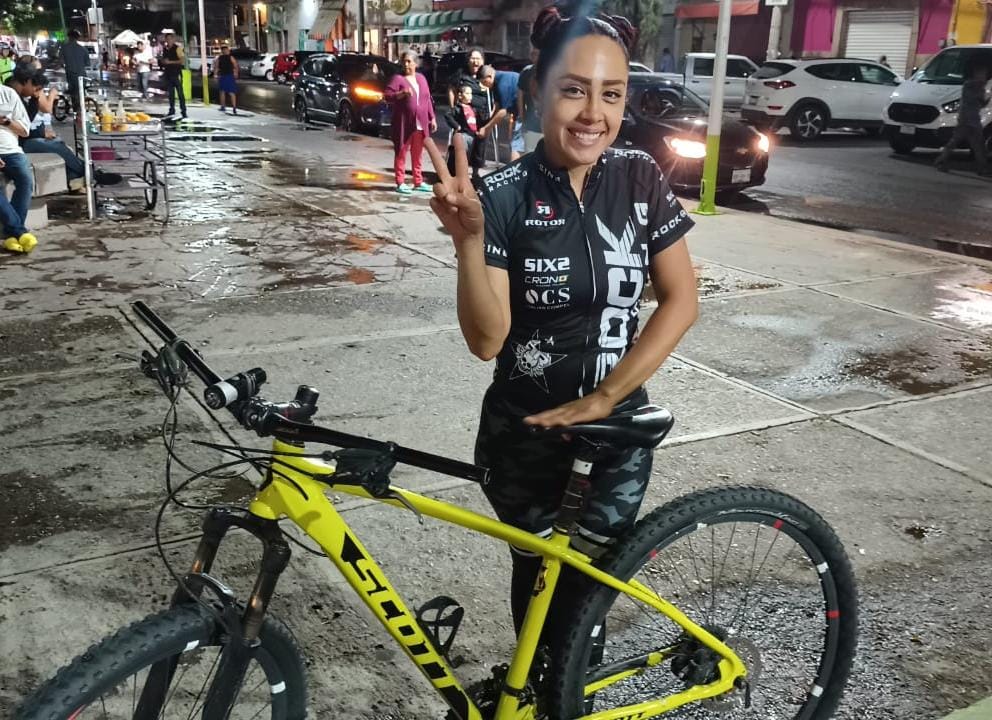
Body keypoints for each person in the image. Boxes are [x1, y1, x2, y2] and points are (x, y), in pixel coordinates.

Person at [424, 0, 698, 643]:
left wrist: (606, 396)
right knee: (537, 578)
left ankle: (570, 684)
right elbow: (487, 340)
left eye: (612, 94)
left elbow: (681, 300)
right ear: (537, 92)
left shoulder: (640, 177)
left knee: (586, 595)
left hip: (614, 433)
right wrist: (469, 242)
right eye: (574, 90)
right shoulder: (502, 196)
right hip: (526, 436)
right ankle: (540, 686)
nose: (594, 113)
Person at [7, 66, 121, 188]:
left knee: (59, 145)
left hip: (24, 139)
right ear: (27, 82)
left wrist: (34, 99)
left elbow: (26, 120)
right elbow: (22, 126)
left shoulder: (17, 95)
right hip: (17, 143)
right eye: (37, 88)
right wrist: (40, 130)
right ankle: (91, 174)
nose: (36, 92)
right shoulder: (9, 95)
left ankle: (77, 177)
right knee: (56, 146)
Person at [385, 49, 436, 194]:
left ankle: (418, 181)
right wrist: (401, 94)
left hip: (421, 123)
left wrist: (432, 117)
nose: (406, 64)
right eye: (404, 61)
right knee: (401, 151)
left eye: (409, 61)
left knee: (417, 153)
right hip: (404, 123)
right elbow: (387, 96)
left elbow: (427, 99)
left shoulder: (421, 78)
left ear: (416, 63)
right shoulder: (398, 79)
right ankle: (400, 182)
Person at [935, 61, 990, 176]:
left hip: (973, 119)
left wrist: (986, 99)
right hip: (966, 118)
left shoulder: (980, 87)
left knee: (974, 144)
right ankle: (941, 160)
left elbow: (980, 103)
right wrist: (981, 92)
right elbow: (973, 99)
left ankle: (981, 167)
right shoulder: (970, 85)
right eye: (981, 74)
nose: (983, 76)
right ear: (975, 74)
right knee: (966, 142)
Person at [0, 79, 36, 253]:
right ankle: (19, 232)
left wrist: (6, 122)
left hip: (12, 151)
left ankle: (11, 234)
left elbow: (24, 130)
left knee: (25, 181)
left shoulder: (8, 94)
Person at [447, 47, 490, 169]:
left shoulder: (486, 75)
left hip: (482, 115)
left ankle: (475, 172)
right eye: (473, 58)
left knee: (479, 145)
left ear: (483, 61)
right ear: (468, 60)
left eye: (478, 59)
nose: (476, 62)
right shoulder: (461, 74)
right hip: (464, 115)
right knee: (461, 142)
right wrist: (454, 108)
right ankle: (454, 170)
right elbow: (451, 89)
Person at [492, 68, 521, 161]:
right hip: (520, 111)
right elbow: (497, 104)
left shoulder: (503, 84)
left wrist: (487, 127)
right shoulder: (503, 78)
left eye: (484, 83)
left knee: (517, 144)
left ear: (489, 77)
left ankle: (515, 165)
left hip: (524, 112)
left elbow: (503, 111)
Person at [517, 48, 542, 153]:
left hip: (550, 126)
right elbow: (520, 96)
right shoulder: (527, 72)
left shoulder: (555, 71)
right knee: (531, 153)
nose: (535, 57)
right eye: (533, 54)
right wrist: (522, 118)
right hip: (532, 125)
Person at [59, 30, 89, 115]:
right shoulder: (83, 49)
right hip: (82, 75)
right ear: (77, 38)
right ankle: (81, 110)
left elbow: (61, 61)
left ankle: (76, 112)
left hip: (71, 74)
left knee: (73, 93)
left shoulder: (64, 48)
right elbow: (87, 63)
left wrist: (65, 66)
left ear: (69, 37)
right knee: (81, 93)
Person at [160, 32, 187, 120]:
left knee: (180, 94)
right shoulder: (165, 49)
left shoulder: (178, 48)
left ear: (173, 39)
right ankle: (172, 110)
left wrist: (170, 62)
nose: (168, 40)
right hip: (168, 74)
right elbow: (164, 59)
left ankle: (183, 111)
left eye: (170, 39)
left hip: (176, 73)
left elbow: (182, 61)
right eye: (167, 39)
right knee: (171, 94)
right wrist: (163, 62)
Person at [216, 45, 239, 114]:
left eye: (226, 50)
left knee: (228, 92)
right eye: (225, 50)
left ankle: (232, 107)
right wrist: (216, 74)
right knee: (224, 91)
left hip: (227, 76)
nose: (226, 51)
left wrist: (236, 73)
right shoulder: (221, 58)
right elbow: (217, 66)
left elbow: (235, 65)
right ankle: (225, 106)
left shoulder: (228, 57)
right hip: (225, 76)